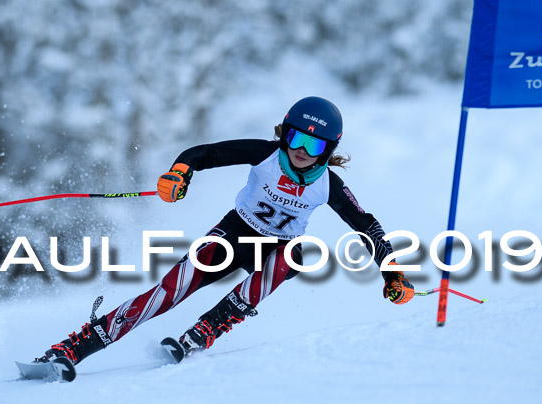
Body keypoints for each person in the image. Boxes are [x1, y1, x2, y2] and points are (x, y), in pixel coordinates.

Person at [35, 96, 415, 366]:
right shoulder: (266, 153)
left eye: (313, 144)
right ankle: (74, 348)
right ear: (285, 132)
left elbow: (367, 226)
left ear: (329, 148)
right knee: (167, 293)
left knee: (294, 255)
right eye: (296, 137)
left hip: (275, 250)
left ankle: (208, 328)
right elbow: (203, 154)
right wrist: (178, 173)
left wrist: (391, 271)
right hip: (232, 235)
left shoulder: (328, 185)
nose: (301, 149)